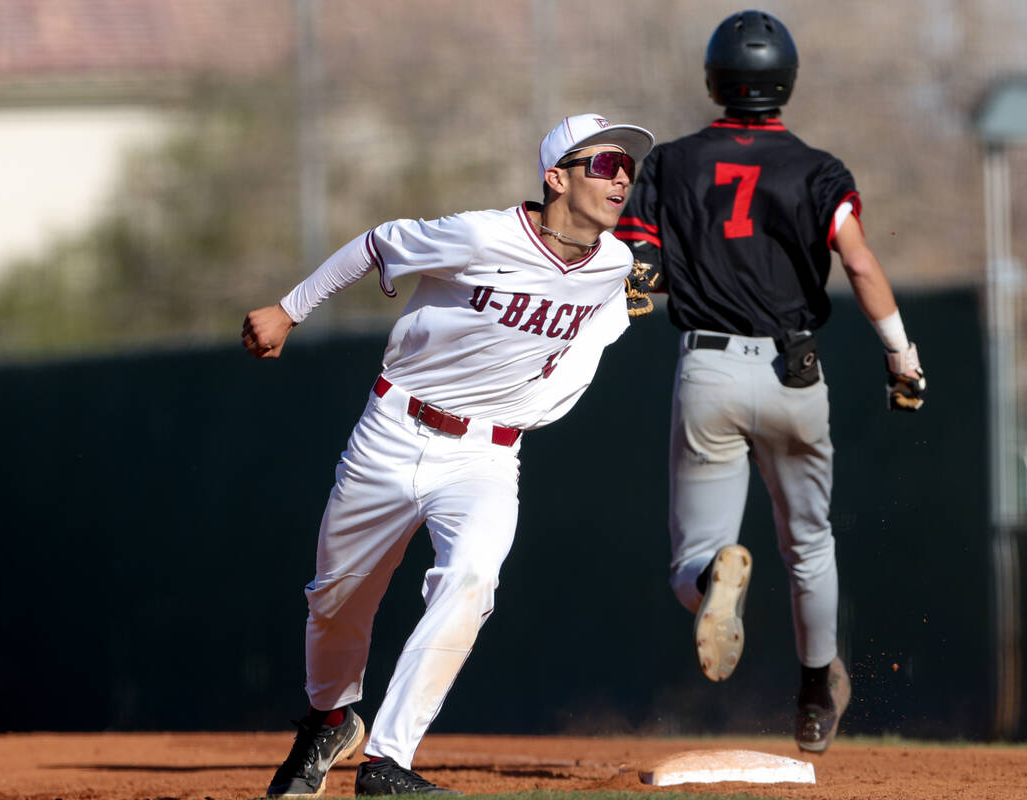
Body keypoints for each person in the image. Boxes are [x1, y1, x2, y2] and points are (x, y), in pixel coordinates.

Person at [243, 112, 654, 796]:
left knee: (470, 580)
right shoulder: (482, 234)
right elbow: (377, 244)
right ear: (556, 178)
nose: (622, 180)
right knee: (336, 602)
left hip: (486, 458)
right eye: (604, 165)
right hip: (392, 431)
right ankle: (330, 720)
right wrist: (290, 310)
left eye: (629, 168)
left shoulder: (612, 266)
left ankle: (387, 762)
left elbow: (624, 299)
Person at [615, 10, 926, 753]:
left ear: (714, 80)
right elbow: (856, 262)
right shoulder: (818, 170)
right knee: (810, 546)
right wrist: (902, 357)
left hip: (709, 367)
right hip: (794, 372)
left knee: (692, 556)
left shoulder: (674, 163)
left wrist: (645, 279)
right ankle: (816, 694)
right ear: (786, 80)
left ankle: (714, 577)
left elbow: (638, 267)